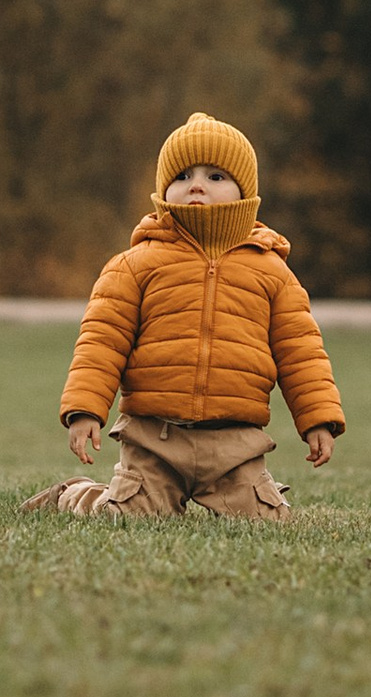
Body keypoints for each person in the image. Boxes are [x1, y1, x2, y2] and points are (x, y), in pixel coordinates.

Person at [24, 112, 345, 522]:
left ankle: (246, 495)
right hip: (155, 437)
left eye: (215, 176)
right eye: (183, 176)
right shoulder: (134, 265)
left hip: (236, 442)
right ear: (163, 190)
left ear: (245, 192)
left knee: (268, 522)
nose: (196, 184)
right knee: (127, 516)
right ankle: (76, 495)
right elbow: (101, 343)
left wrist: (318, 419)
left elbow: (302, 353)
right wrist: (85, 409)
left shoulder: (273, 272)